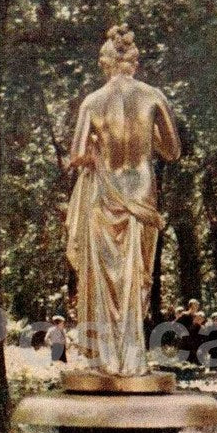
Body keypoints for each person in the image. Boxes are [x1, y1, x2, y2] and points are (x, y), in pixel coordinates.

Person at [64, 24, 181, 376]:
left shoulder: (92, 102)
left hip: (106, 194)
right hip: (142, 192)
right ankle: (132, 357)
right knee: (138, 275)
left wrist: (99, 149)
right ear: (135, 62)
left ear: (105, 64)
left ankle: (105, 358)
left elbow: (77, 155)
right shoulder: (153, 97)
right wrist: (147, 140)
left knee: (105, 276)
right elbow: (173, 151)